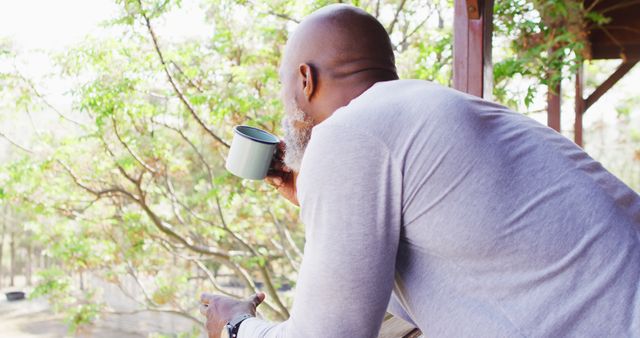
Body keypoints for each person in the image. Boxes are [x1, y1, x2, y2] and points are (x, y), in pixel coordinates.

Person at [200, 4, 640, 337]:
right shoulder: (424, 109)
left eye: (284, 89)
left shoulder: (348, 133)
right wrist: (311, 194)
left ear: (305, 79)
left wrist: (237, 325)